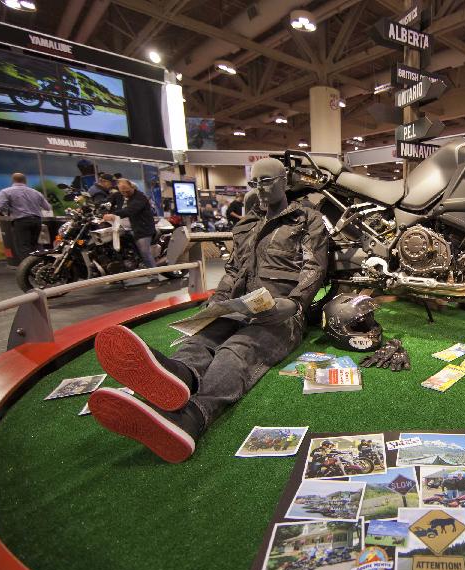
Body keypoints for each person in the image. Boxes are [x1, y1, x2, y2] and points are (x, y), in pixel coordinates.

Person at [87, 158, 328, 463]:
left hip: (280, 313)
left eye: (267, 181)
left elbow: (313, 268)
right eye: (255, 183)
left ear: (284, 181)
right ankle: (177, 375)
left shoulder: (307, 219)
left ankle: (191, 417)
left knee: (237, 350)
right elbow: (233, 269)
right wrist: (218, 301)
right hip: (240, 305)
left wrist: (294, 303)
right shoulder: (246, 225)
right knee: (200, 339)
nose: (260, 189)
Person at [101, 178, 160, 288]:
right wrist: (102, 210)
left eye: (127, 191)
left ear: (132, 187)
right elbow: (105, 203)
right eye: (122, 191)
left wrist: (114, 215)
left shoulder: (140, 197)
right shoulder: (117, 196)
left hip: (142, 228)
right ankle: (117, 274)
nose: (125, 193)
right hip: (121, 227)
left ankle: (154, 278)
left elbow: (131, 210)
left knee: (144, 251)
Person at [0, 172, 51, 260]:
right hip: (37, 221)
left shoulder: (6, 192)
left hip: (21, 221)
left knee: (23, 247)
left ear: (13, 180)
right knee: (36, 245)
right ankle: (40, 266)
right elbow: (48, 207)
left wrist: (10, 211)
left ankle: (27, 269)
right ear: (25, 181)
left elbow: (0, 207)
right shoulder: (36, 192)